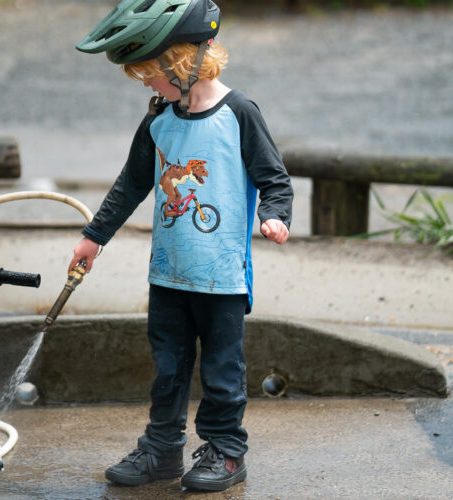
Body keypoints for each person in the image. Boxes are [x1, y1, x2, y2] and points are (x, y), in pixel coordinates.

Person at [71, 0, 293, 492]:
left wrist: (274, 216)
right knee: (167, 369)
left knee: (222, 371)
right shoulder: (159, 121)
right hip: (168, 274)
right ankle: (162, 449)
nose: (148, 85)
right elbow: (130, 184)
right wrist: (94, 237)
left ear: (182, 64)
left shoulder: (239, 114)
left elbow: (274, 179)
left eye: (151, 74)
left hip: (222, 278)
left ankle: (226, 452)